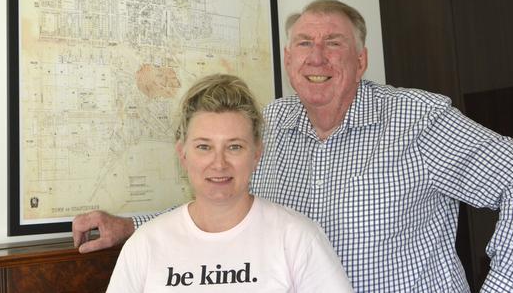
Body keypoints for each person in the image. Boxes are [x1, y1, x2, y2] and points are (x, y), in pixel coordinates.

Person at [74, 0, 513, 292]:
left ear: (361, 58)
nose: (317, 56)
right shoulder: (273, 125)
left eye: (333, 43)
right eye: (304, 43)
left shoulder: (416, 121)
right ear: (289, 59)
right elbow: (219, 190)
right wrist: (131, 227)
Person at [105, 73, 353, 292]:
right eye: (204, 147)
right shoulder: (145, 245)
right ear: (182, 154)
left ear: (257, 154)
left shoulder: (297, 238)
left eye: (234, 147)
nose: (219, 163)